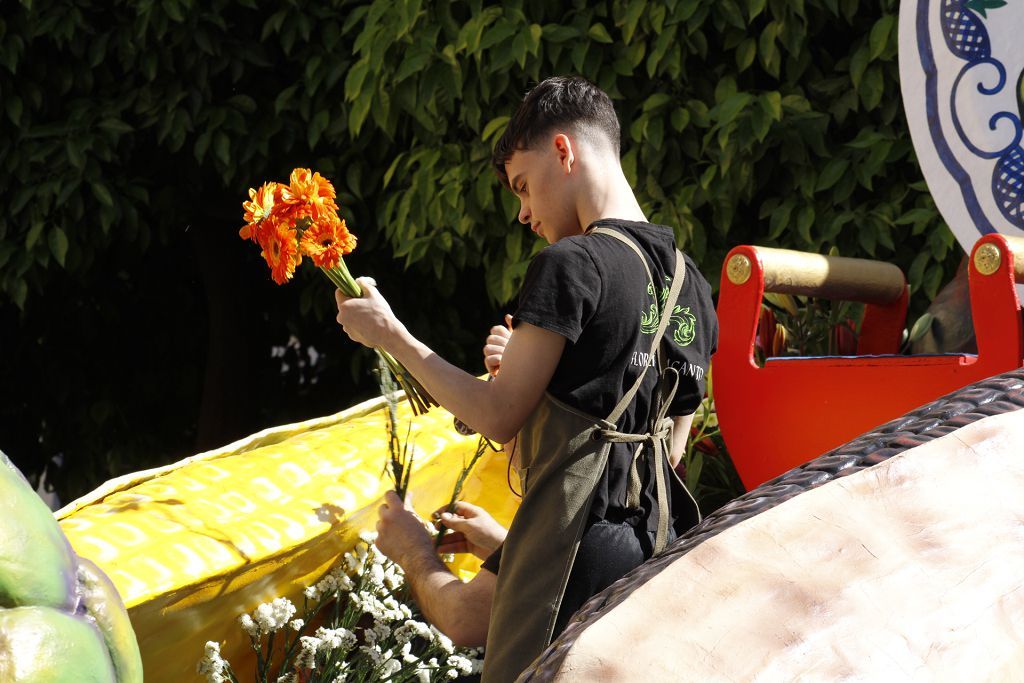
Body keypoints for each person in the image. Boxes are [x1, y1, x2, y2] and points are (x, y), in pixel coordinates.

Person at [335, 75, 718, 682]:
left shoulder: (574, 263)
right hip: (654, 560)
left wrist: (389, 333)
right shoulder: (692, 285)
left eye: (522, 186)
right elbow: (668, 453)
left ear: (563, 152)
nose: (523, 213)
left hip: (566, 561)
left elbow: (496, 414)